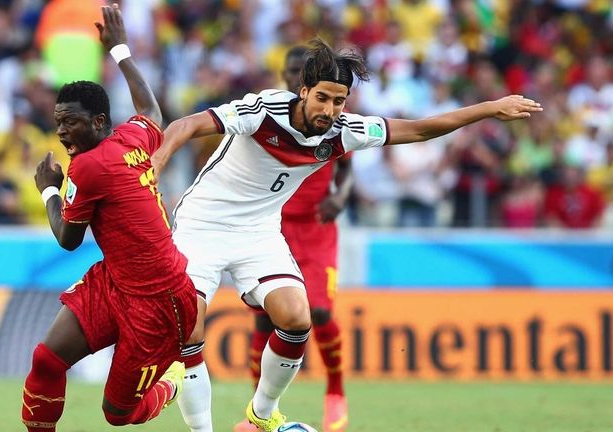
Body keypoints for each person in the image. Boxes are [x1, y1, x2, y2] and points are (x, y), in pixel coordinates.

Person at [152, 38, 542, 432]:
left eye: (339, 101)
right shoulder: (263, 109)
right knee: (191, 331)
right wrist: (157, 163)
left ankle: (262, 416)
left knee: (297, 318)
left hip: (258, 232)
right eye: (322, 98)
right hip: (203, 225)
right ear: (303, 91)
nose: (330, 110)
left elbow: (421, 130)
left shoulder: (343, 130)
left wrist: (491, 109)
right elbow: (186, 125)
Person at [21, 4, 197, 431]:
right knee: (47, 359)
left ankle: (172, 383)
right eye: (58, 123)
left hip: (159, 301)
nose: (62, 132)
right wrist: (119, 50)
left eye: (71, 123)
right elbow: (152, 110)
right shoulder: (132, 135)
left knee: (118, 415)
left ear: (99, 121)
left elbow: (67, 238)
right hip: (116, 280)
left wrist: (47, 187)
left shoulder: (88, 167)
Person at [233, 46, 353, 432]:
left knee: (318, 312)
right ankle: (259, 413)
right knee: (267, 321)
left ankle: (335, 390)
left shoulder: (331, 120)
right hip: (272, 227)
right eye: (289, 73)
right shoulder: (266, 116)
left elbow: (347, 166)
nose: (292, 79)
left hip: (316, 228)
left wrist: (341, 195)